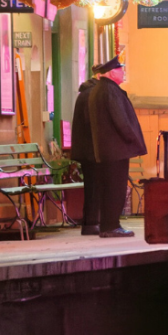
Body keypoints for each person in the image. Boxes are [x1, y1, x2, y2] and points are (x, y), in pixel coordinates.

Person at [86, 56, 146, 237]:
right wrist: (133, 139)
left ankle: (108, 226)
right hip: (115, 149)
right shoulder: (110, 91)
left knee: (109, 188)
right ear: (112, 73)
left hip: (107, 149)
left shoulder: (99, 90)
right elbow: (120, 119)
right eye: (120, 69)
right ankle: (111, 226)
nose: (123, 72)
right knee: (115, 188)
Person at [69, 76, 100, 236]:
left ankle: (90, 222)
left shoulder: (86, 93)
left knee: (92, 186)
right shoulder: (91, 95)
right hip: (91, 150)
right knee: (94, 187)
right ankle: (92, 223)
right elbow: (92, 124)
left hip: (86, 149)